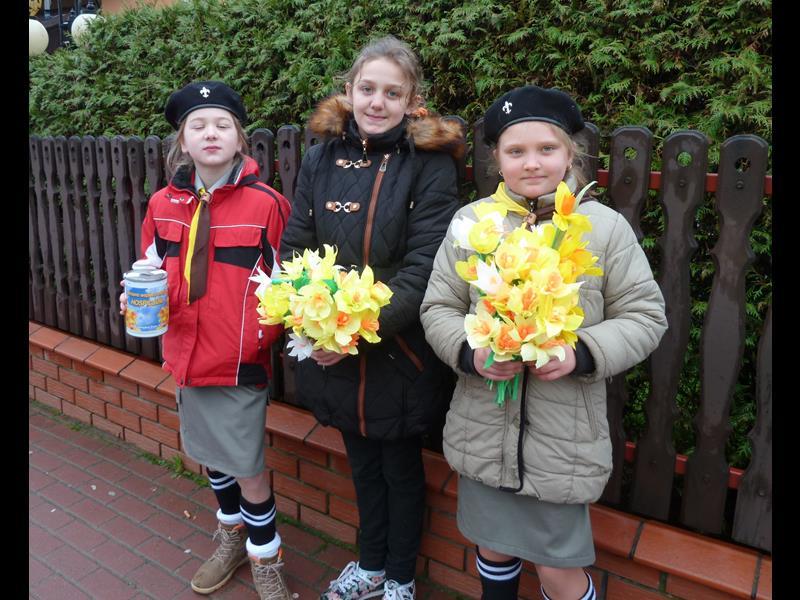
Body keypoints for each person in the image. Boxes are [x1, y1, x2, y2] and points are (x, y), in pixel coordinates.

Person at [419, 85, 668, 600]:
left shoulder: (603, 229)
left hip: (562, 444)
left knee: (558, 570)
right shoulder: (471, 224)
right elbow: (438, 307)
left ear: (570, 154)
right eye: (516, 151)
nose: (531, 163)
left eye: (546, 149)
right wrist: (471, 352)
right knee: (493, 549)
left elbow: (645, 316)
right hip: (484, 433)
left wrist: (581, 353)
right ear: (497, 159)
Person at [278, 36, 463, 600]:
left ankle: (400, 578)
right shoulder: (320, 158)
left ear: (411, 100)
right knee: (361, 463)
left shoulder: (429, 164)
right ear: (350, 90)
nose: (377, 102)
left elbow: (425, 266)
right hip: (331, 349)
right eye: (367, 89)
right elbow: (296, 248)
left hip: (397, 351)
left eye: (392, 93)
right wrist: (312, 325)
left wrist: (351, 331)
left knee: (401, 470)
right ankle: (371, 566)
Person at [118, 81, 293, 600]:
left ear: (240, 139)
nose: (210, 133)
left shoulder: (268, 205)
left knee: (248, 469)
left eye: (222, 125)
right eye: (198, 125)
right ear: (183, 141)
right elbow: (150, 268)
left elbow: (288, 285)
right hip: (186, 355)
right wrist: (134, 295)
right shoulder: (162, 204)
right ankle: (231, 537)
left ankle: (266, 557)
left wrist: (265, 335)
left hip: (239, 360)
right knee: (211, 458)